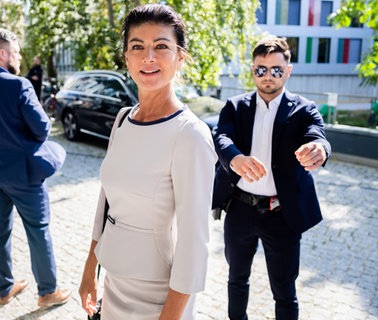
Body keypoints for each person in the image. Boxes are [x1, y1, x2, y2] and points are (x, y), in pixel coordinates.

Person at [79, 4, 217, 320]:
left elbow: (194, 243)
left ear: (180, 57)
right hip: (114, 285)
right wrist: (90, 269)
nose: (148, 57)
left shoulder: (190, 134)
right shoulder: (123, 119)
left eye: (161, 47)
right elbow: (107, 202)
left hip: (160, 298)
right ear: (126, 57)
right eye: (137, 47)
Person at [213, 36, 331, 320]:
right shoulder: (235, 105)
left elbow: (318, 136)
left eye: (276, 69)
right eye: (261, 69)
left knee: (284, 290)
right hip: (239, 209)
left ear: (288, 71)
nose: (268, 76)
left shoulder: (304, 109)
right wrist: (235, 158)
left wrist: (320, 150)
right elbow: (221, 136)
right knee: (236, 279)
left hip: (282, 213)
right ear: (252, 70)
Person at [0, 28, 70, 309]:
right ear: (3, 54)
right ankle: (47, 292)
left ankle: (5, 288)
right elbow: (42, 129)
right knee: (38, 229)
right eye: (17, 52)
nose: (19, 57)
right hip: (24, 175)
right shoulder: (19, 85)